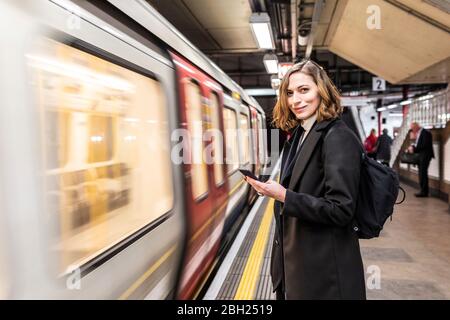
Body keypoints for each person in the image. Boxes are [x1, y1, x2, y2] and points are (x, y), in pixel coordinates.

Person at [244, 60, 366, 300]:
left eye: (304, 90)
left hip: (325, 275)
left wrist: (283, 195)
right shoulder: (299, 135)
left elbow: (341, 209)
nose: (295, 100)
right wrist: (271, 190)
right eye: (289, 93)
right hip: (297, 267)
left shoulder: (337, 137)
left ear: (321, 90)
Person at [408, 122, 434, 197]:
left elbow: (424, 145)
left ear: (416, 127)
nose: (412, 130)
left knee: (423, 173)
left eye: (413, 128)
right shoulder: (419, 133)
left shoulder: (425, 132)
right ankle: (422, 190)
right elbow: (418, 144)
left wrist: (414, 149)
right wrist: (413, 147)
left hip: (425, 156)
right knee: (421, 173)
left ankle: (424, 192)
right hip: (422, 155)